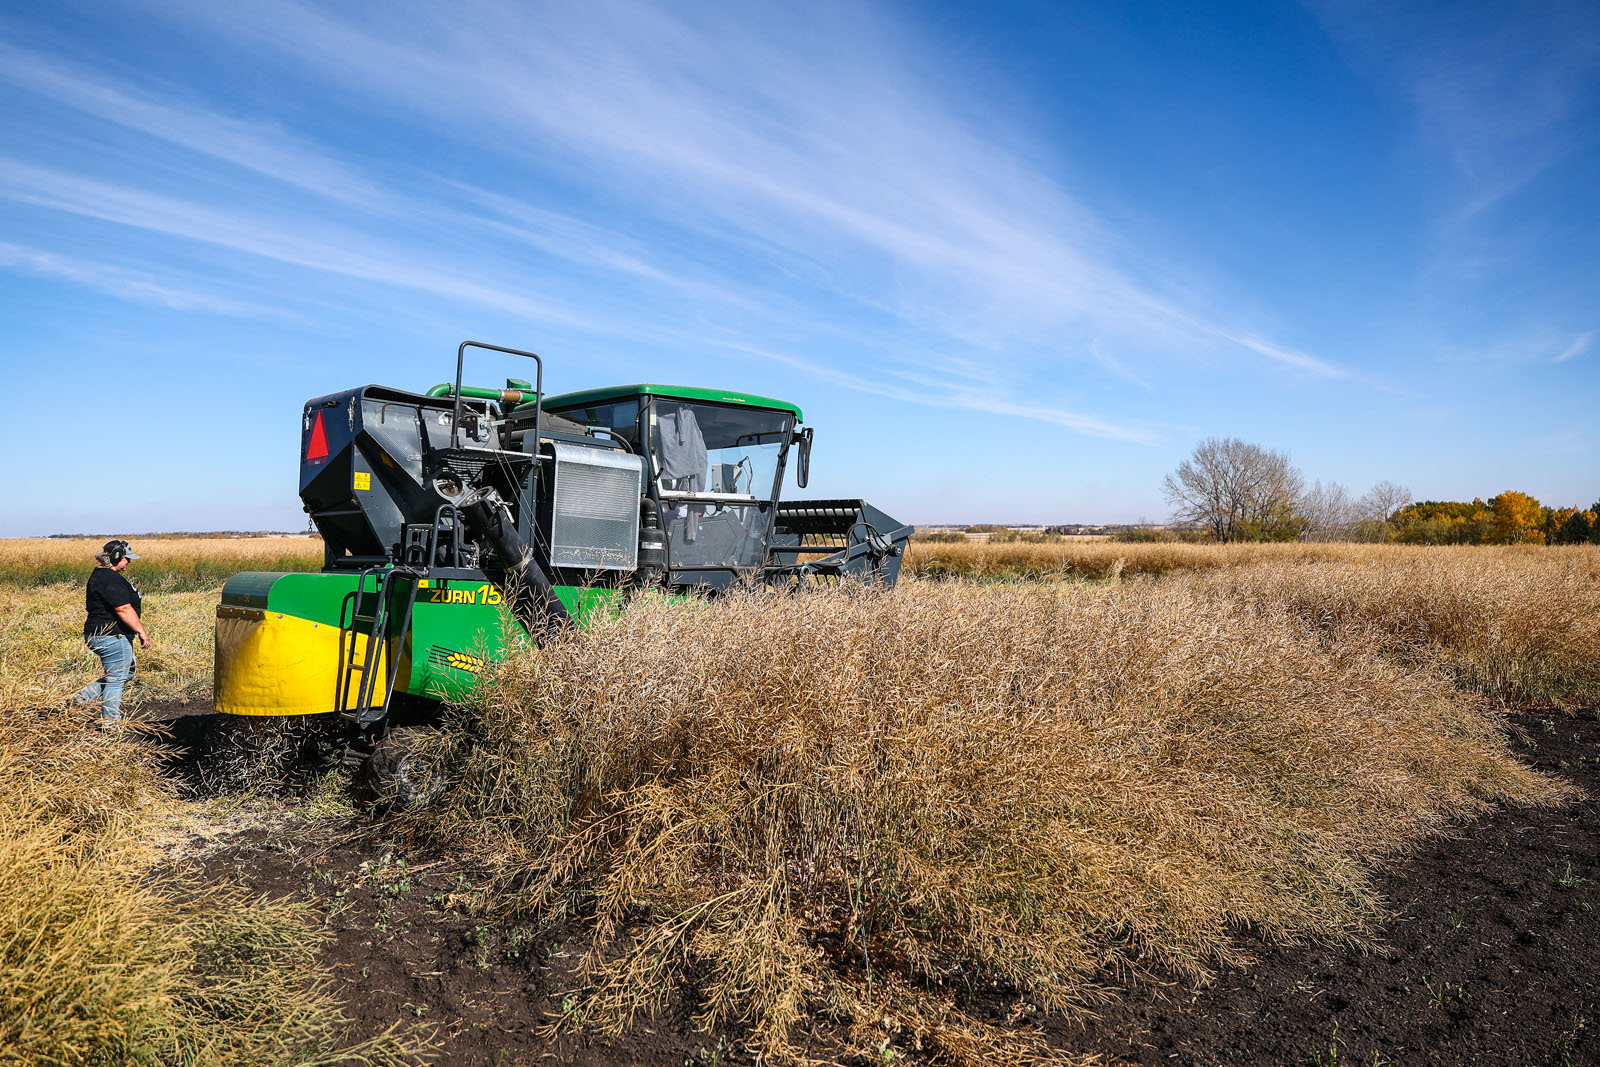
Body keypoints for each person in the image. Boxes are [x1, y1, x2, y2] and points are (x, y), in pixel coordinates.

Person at [74, 539, 150, 730]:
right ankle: (111, 724)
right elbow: (123, 608)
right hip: (112, 636)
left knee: (128, 672)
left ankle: (80, 700)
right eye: (127, 559)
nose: (129, 563)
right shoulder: (109, 578)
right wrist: (142, 632)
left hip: (101, 634)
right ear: (117, 557)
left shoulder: (102, 575)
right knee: (116, 679)